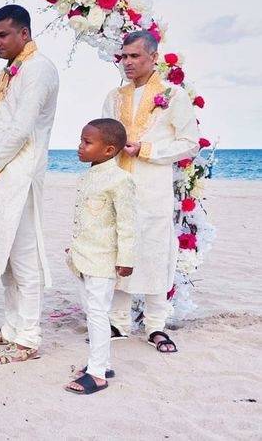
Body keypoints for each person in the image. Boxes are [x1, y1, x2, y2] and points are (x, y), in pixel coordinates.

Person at [0, 5, 59, 365]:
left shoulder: (38, 69)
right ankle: (10, 329)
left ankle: (29, 338)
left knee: (24, 260)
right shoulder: (8, 72)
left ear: (25, 34)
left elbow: (21, 129)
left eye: (3, 34)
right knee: (6, 258)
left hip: (19, 174)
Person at [102, 30, 200, 353]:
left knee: (155, 252)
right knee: (119, 250)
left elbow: (190, 144)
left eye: (135, 56)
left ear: (153, 57)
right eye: (124, 56)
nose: (127, 63)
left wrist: (146, 148)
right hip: (118, 186)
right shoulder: (114, 96)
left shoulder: (173, 96)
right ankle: (118, 321)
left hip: (152, 189)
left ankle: (156, 325)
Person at [64, 119, 136, 395]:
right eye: (81, 140)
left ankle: (97, 375)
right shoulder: (89, 175)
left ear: (108, 150)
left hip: (104, 260)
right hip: (83, 257)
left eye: (87, 142)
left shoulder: (120, 180)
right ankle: (102, 364)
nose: (80, 147)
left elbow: (127, 223)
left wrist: (126, 258)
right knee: (93, 311)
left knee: (97, 314)